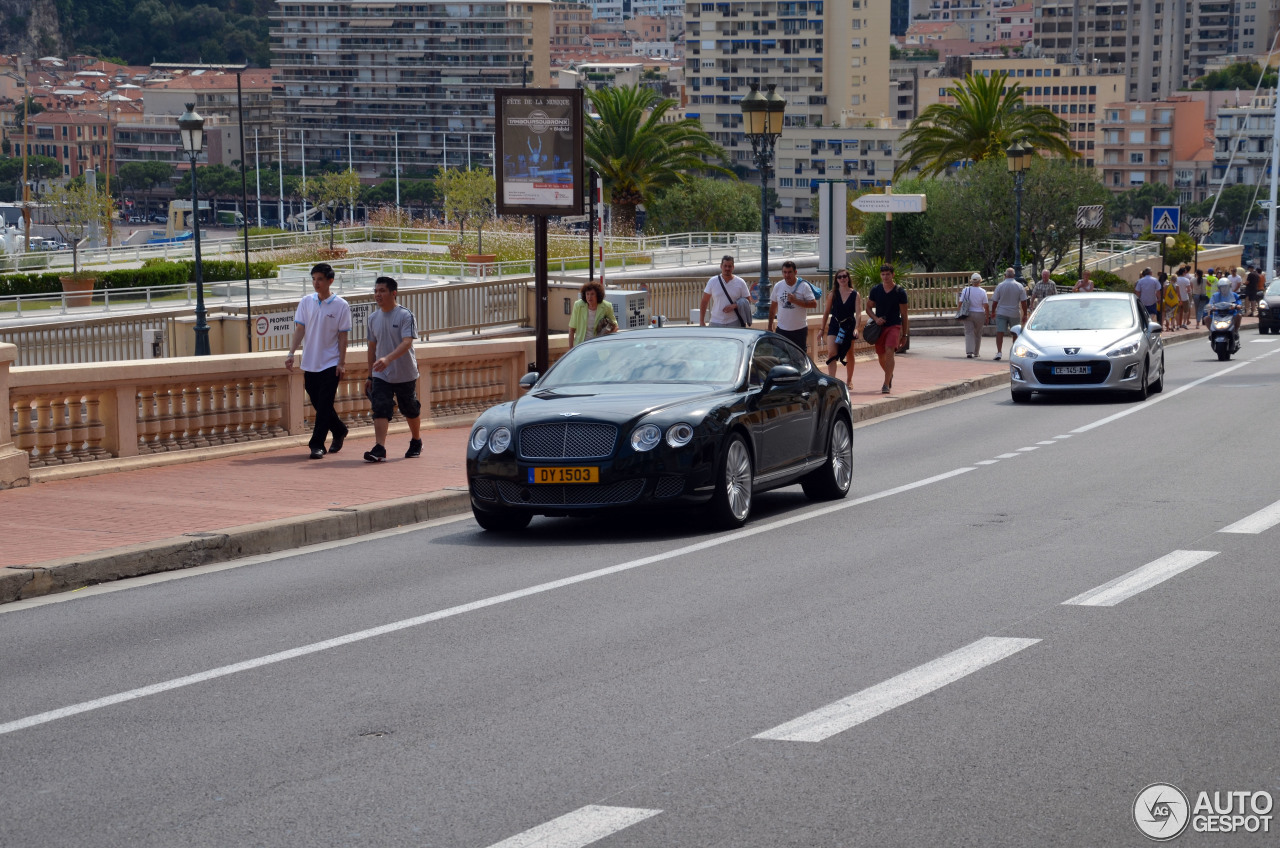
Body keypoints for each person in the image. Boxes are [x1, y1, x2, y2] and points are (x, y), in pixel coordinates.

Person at [285, 262, 352, 460]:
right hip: (310, 362)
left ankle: (317, 445)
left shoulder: (341, 305)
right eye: (314, 279)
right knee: (317, 402)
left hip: (330, 363)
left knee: (324, 404)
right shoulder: (306, 301)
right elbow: (300, 329)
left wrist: (341, 362)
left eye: (320, 279)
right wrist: (290, 354)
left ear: (330, 281)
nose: (316, 283)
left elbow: (343, 336)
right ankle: (339, 429)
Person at [363, 276, 422, 462]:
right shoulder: (373, 318)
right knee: (380, 406)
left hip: (405, 372)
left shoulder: (405, 315)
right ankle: (379, 447)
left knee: (409, 408)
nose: (378, 295)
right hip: (382, 374)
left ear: (393, 293)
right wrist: (370, 376)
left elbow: (407, 343)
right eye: (376, 291)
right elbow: (371, 348)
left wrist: (388, 359)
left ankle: (416, 440)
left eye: (382, 291)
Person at [865, 263, 909, 393]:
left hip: (894, 325)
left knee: (889, 350)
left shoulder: (899, 292)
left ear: (893, 275)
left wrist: (904, 334)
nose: (885, 277)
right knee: (881, 355)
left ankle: (885, 384)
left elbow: (904, 314)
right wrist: (875, 318)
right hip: (879, 327)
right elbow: (868, 308)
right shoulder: (876, 290)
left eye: (888, 274)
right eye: (883, 274)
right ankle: (889, 374)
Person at [821, 268, 859, 385]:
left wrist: (856, 328)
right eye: (839, 277)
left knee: (849, 353)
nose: (842, 279)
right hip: (835, 325)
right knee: (832, 353)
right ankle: (832, 381)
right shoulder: (833, 294)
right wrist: (822, 329)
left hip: (848, 326)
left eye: (844, 276)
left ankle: (849, 379)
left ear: (848, 278)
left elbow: (858, 313)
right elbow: (826, 312)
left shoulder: (855, 294)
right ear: (836, 280)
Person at [768, 260, 817, 350]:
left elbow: (814, 304)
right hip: (782, 330)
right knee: (782, 358)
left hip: (799, 330)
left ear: (795, 272)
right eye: (784, 272)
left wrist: (795, 301)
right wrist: (770, 326)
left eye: (790, 272)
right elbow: (773, 307)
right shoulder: (778, 286)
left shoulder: (804, 286)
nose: (787, 275)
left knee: (799, 360)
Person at [700, 255, 754, 327]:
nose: (727, 268)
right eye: (725, 266)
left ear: (733, 267)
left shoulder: (740, 282)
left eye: (729, 266)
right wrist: (701, 321)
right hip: (715, 321)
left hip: (734, 322)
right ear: (721, 266)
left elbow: (748, 300)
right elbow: (704, 301)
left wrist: (735, 306)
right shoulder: (712, 281)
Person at [989, 267, 1027, 361]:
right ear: (1014, 275)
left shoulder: (1000, 286)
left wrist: (993, 312)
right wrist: (1025, 314)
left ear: (1005, 275)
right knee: (1015, 333)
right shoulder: (1019, 286)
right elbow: (1023, 302)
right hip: (1014, 313)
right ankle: (1014, 353)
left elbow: (995, 301)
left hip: (1002, 312)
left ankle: (999, 352)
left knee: (1000, 332)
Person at [567, 280, 618, 347]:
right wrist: (571, 350)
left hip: (599, 347)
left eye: (592, 294)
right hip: (581, 346)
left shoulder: (607, 306)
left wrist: (606, 333)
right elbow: (572, 329)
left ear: (598, 295)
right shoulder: (578, 305)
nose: (589, 297)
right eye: (587, 294)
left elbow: (615, 326)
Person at [958, 272, 990, 359]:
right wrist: (987, 316)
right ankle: (976, 352)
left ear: (971, 281)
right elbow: (986, 305)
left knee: (969, 332)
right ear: (980, 281)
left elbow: (960, 302)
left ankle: (969, 352)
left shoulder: (966, 290)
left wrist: (959, 313)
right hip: (980, 313)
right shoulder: (983, 291)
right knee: (978, 333)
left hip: (968, 313)